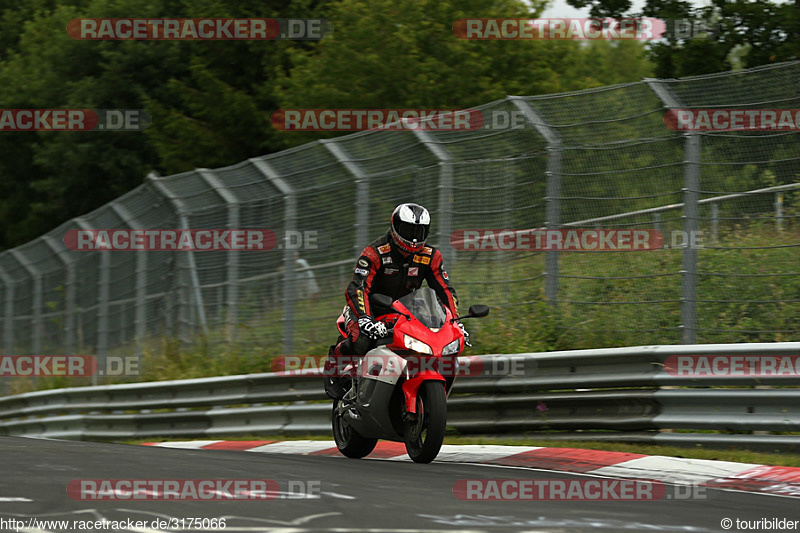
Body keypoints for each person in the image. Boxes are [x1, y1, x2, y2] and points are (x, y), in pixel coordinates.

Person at [324, 202, 468, 400]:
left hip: (405, 313)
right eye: (408, 229)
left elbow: (444, 290)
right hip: (367, 309)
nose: (414, 237)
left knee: (433, 342)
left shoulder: (431, 256)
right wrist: (365, 318)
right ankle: (336, 363)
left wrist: (456, 322)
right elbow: (358, 287)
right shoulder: (374, 253)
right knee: (362, 339)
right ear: (395, 227)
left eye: (419, 231)